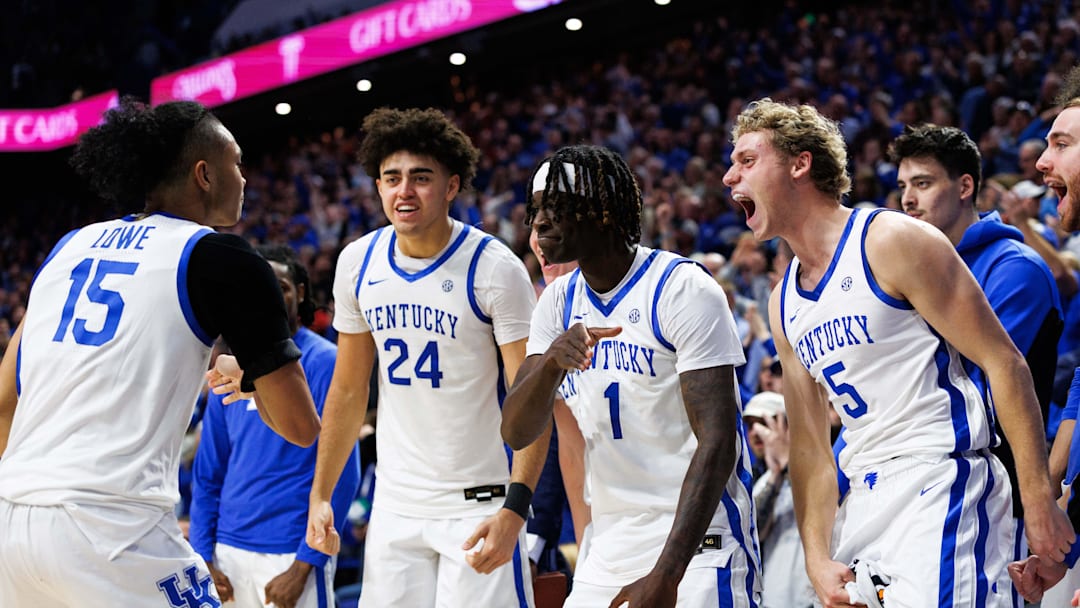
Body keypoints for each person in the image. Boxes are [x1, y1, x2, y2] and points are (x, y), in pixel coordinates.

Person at [722, 98, 1072, 607]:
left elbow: (1004, 361)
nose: (731, 178)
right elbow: (811, 449)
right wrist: (816, 557)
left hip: (941, 482)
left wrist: (1037, 498)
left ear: (801, 164)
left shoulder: (890, 239)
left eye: (747, 161)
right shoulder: (783, 303)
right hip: (862, 501)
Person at [0, 97, 321, 606]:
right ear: (204, 174)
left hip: (12, 524)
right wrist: (249, 378)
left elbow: (4, 398)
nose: (244, 176)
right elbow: (301, 427)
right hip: (113, 533)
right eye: (236, 162)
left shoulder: (69, 246)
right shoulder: (222, 257)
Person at [304, 107, 546, 607]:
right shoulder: (357, 262)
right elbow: (348, 391)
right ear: (376, 186)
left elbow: (532, 400)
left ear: (452, 186)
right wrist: (321, 494)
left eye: (421, 178)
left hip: (477, 503)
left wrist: (516, 509)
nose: (404, 192)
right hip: (396, 506)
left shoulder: (494, 267)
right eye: (391, 178)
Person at [502, 144, 761, 607]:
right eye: (536, 209)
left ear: (601, 213)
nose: (539, 223)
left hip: (698, 542)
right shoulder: (557, 303)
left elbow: (719, 442)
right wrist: (550, 365)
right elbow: (516, 429)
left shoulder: (682, 288)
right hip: (611, 543)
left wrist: (667, 573)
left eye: (556, 209)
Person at [889, 123, 1063, 606]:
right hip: (913, 498)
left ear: (965, 187)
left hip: (990, 505)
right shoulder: (911, 278)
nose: (907, 199)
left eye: (923, 184)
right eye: (903, 186)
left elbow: (975, 395)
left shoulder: (1016, 268)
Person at [190, 244, 361, 608]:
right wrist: (202, 553)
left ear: (299, 293)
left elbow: (344, 472)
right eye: (260, 285)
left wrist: (304, 566)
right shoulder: (229, 366)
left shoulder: (328, 362)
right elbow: (208, 474)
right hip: (226, 554)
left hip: (289, 552)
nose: (267, 295)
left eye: (279, 286)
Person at [744, 391, 815, 608]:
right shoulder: (765, 481)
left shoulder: (819, 471)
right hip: (773, 600)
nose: (756, 433)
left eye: (765, 423)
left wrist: (786, 461)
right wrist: (776, 474)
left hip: (814, 599)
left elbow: (827, 510)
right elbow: (756, 532)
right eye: (751, 425)